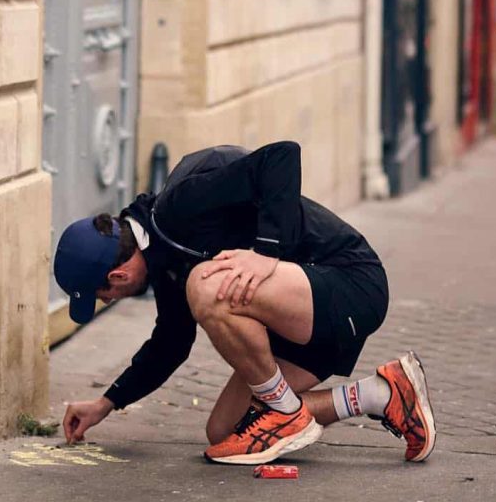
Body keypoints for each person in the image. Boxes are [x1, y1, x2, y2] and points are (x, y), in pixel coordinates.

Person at [54, 141, 435, 464]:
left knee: (206, 284)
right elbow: (170, 345)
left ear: (116, 277)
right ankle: (382, 394)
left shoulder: (178, 207)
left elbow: (282, 156)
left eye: (103, 295)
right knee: (224, 431)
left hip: (349, 283)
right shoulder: (166, 260)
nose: (109, 300)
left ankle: (287, 414)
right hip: (302, 315)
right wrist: (106, 403)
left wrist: (267, 252)